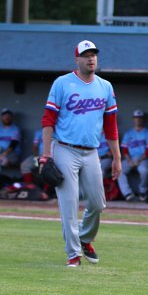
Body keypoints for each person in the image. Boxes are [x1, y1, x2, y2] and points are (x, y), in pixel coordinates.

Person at [40, 39, 121, 268]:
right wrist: (46, 154)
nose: (90, 58)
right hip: (65, 148)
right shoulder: (62, 83)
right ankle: (73, 254)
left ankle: (85, 238)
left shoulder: (105, 87)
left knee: (97, 203)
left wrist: (117, 157)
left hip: (91, 152)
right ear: (77, 59)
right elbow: (48, 120)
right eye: (86, 55)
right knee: (69, 204)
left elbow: (111, 126)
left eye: (93, 54)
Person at [117, 110, 148, 202]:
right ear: (133, 119)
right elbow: (124, 148)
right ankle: (127, 193)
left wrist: (140, 160)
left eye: (140, 118)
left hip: (144, 158)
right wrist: (129, 160)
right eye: (136, 118)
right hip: (131, 158)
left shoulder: (147, 133)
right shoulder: (129, 133)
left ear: (143, 119)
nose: (138, 120)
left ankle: (143, 191)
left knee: (144, 170)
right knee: (119, 170)